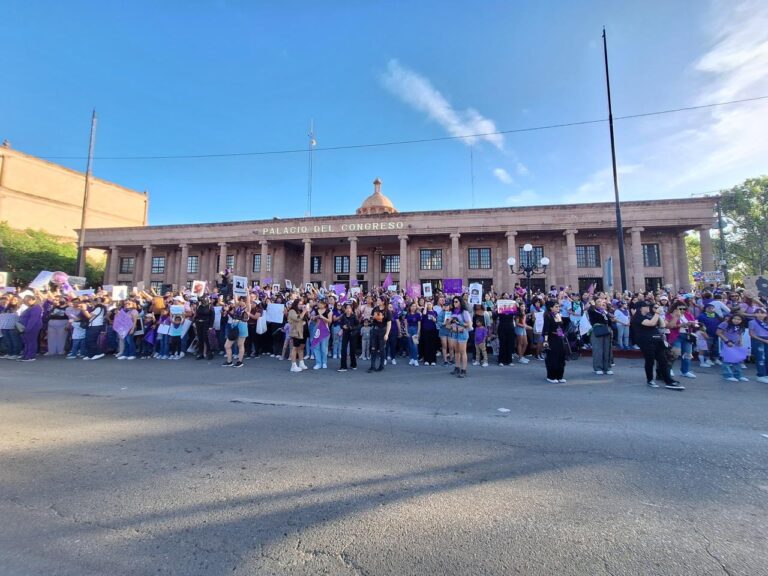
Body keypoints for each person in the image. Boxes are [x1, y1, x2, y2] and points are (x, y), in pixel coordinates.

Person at [631, 301, 684, 390]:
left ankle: (668, 380)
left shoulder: (650, 315)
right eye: (646, 306)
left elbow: (663, 325)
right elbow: (650, 323)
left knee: (663, 360)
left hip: (656, 340)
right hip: (646, 342)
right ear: (641, 308)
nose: (648, 307)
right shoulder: (637, 317)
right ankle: (650, 380)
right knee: (650, 361)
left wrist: (658, 315)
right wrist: (657, 313)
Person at [666, 302, 697, 379]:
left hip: (687, 336)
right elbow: (669, 326)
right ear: (675, 308)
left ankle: (685, 371)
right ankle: (669, 369)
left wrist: (692, 324)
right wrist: (680, 324)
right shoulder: (670, 315)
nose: (682, 310)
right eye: (680, 308)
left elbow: (695, 324)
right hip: (676, 336)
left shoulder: (688, 314)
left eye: (684, 308)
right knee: (675, 353)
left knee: (687, 354)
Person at [716, 314, 749, 382]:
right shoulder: (725, 323)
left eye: (739, 319)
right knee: (727, 360)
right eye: (735, 318)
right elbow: (718, 333)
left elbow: (739, 334)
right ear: (732, 318)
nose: (736, 320)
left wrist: (740, 342)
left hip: (736, 345)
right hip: (727, 344)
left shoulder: (740, 326)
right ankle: (727, 375)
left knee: (737, 360)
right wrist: (727, 341)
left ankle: (738, 375)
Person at [445, 296, 471, 378]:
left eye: (456, 301)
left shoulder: (464, 312)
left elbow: (469, 324)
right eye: (454, 302)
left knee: (463, 352)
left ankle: (464, 370)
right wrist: (448, 322)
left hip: (462, 333)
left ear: (460, 302)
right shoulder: (452, 312)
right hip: (454, 332)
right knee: (456, 351)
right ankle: (457, 367)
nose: (454, 303)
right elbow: (447, 324)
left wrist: (460, 324)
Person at [542, 301, 567, 383]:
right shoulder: (548, 316)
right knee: (552, 357)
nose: (558, 308)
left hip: (559, 338)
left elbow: (561, 327)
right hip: (551, 338)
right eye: (556, 306)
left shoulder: (558, 315)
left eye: (558, 306)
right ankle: (551, 376)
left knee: (561, 356)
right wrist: (545, 341)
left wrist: (561, 334)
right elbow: (545, 330)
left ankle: (559, 376)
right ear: (551, 308)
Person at [588, 297, 614, 375]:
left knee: (607, 349)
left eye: (602, 302)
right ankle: (598, 367)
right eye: (598, 301)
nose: (600, 303)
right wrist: (592, 305)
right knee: (598, 350)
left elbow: (609, 321)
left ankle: (607, 367)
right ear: (595, 303)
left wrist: (611, 329)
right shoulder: (592, 311)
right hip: (597, 330)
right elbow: (591, 312)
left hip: (606, 330)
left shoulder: (604, 312)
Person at [368, 296, 391, 373]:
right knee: (373, 348)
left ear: (383, 302)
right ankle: (372, 366)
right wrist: (373, 318)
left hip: (383, 331)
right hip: (375, 330)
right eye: (377, 300)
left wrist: (387, 334)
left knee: (382, 349)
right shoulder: (375, 309)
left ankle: (381, 365)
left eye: (378, 300)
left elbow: (389, 324)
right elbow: (371, 318)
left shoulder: (387, 311)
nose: (377, 301)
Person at [18, 294, 44, 361]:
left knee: (31, 341)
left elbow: (33, 320)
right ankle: (25, 355)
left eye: (28, 300)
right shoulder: (30, 307)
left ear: (33, 300)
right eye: (25, 300)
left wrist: (27, 329)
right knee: (26, 341)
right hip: (25, 327)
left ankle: (30, 356)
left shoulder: (36, 308)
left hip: (32, 327)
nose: (26, 302)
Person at [337, 303, 360, 372]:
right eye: (347, 308)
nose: (348, 309)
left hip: (352, 334)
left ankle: (353, 364)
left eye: (349, 308)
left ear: (351, 309)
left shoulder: (354, 316)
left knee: (352, 350)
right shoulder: (343, 316)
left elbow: (358, 325)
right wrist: (343, 326)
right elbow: (340, 324)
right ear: (345, 309)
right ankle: (343, 366)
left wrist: (352, 327)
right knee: (343, 349)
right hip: (345, 334)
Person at [748, 308, 768, 384]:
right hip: (758, 340)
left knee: (767, 358)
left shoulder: (766, 322)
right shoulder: (752, 322)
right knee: (760, 358)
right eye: (757, 312)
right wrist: (763, 340)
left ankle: (766, 374)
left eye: (762, 313)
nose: (760, 314)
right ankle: (760, 375)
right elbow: (751, 334)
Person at [288, 299, 308, 372]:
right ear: (296, 304)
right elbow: (297, 318)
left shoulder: (301, 311)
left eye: (302, 304)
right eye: (299, 304)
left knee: (301, 347)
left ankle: (301, 362)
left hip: (304, 331)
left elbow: (306, 318)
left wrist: (305, 312)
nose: (301, 305)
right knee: (295, 348)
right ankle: (293, 365)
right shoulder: (292, 311)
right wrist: (304, 311)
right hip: (296, 332)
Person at [404, 302, 422, 366]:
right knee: (410, 345)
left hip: (415, 330)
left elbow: (419, 324)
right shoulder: (407, 314)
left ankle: (415, 359)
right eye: (412, 306)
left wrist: (418, 332)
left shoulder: (418, 314)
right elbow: (406, 324)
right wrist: (406, 332)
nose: (413, 307)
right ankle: (411, 359)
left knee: (415, 345)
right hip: (409, 330)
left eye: (414, 306)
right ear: (410, 307)